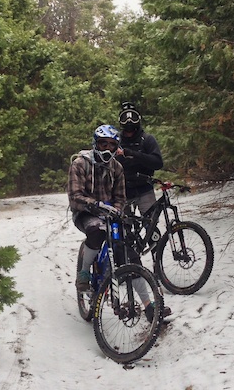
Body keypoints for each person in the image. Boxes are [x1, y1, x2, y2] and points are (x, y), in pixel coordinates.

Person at [67, 124, 165, 322]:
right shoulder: (79, 164)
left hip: (111, 214)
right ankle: (84, 272)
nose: (107, 149)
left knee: (129, 252)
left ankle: (148, 305)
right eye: (103, 144)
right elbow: (74, 196)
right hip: (85, 213)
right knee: (97, 231)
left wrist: (117, 210)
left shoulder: (117, 167)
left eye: (112, 145)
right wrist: (95, 204)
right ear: (96, 143)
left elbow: (121, 196)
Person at [115, 102, 163, 215]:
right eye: (125, 119)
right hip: (122, 191)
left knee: (151, 223)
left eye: (133, 118)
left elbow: (158, 163)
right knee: (122, 226)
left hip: (144, 188)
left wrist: (134, 155)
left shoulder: (147, 139)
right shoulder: (115, 142)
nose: (129, 122)